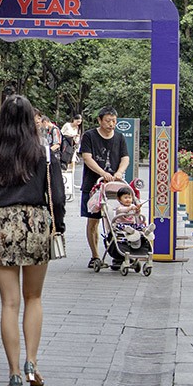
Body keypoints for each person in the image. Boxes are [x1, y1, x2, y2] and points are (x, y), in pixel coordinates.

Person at [0, 95, 65, 386]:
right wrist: (59, 225)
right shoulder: (44, 152)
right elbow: (56, 196)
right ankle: (32, 361)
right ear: (32, 118)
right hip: (36, 223)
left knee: (9, 303)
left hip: (3, 225)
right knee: (33, 298)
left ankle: (15, 372)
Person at [79, 106, 129, 269]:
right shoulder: (89, 136)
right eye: (108, 121)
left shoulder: (120, 137)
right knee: (93, 221)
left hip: (114, 187)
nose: (111, 124)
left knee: (117, 219)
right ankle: (95, 256)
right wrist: (103, 173)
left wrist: (120, 172)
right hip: (93, 185)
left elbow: (125, 158)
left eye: (114, 121)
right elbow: (87, 157)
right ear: (100, 120)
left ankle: (118, 253)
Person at [59, 114, 83, 199]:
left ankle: (71, 182)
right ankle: (64, 182)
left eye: (80, 122)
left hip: (73, 148)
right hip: (66, 147)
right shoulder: (67, 125)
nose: (78, 123)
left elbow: (77, 140)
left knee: (72, 164)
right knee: (65, 162)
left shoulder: (77, 129)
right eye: (77, 121)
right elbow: (61, 134)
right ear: (74, 120)